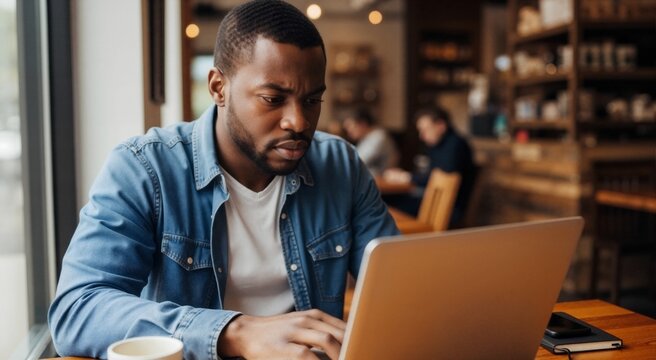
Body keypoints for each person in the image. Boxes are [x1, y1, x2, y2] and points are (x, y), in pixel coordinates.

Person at [48, 1, 399, 359]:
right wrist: (233, 331)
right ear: (219, 87)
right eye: (273, 99)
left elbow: (398, 289)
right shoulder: (145, 169)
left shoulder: (339, 165)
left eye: (312, 100)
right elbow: (77, 309)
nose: (299, 121)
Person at [384, 106, 475, 228]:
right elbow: (429, 174)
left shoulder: (455, 145)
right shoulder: (438, 144)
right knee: (387, 200)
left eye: (425, 130)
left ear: (441, 126)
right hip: (433, 200)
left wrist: (407, 177)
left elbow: (441, 178)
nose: (422, 136)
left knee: (387, 204)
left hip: (446, 207)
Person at [342, 108, 399, 176]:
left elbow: (358, 161)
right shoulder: (367, 137)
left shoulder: (378, 136)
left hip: (383, 183)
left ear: (362, 124)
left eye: (350, 126)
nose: (349, 131)